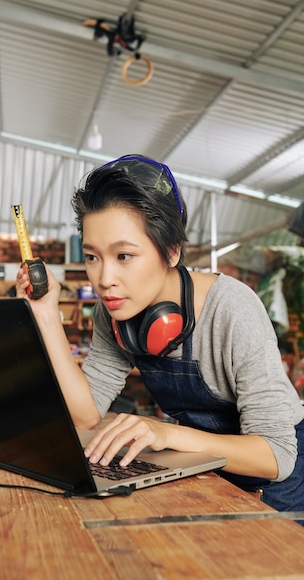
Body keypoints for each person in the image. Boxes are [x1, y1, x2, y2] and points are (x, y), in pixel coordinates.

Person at [16, 154, 304, 517]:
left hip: (276, 486)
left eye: (124, 255)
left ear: (171, 251)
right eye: (92, 257)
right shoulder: (114, 311)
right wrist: (45, 317)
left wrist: (167, 433)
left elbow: (276, 456)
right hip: (205, 470)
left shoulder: (232, 308)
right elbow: (85, 415)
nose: (104, 279)